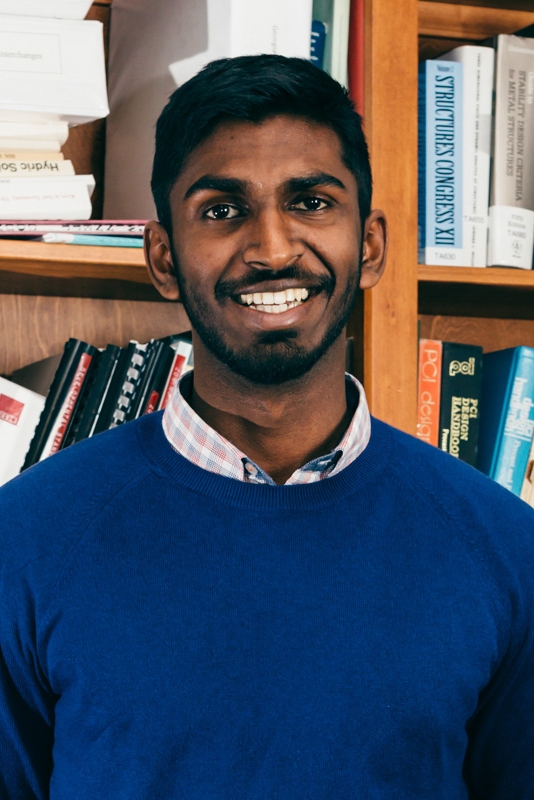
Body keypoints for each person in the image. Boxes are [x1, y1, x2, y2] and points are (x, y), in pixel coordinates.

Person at [0, 55, 533, 799]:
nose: (274, 249)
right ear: (163, 257)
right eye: (222, 210)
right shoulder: (23, 539)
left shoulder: (507, 548)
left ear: (371, 245)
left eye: (312, 202)